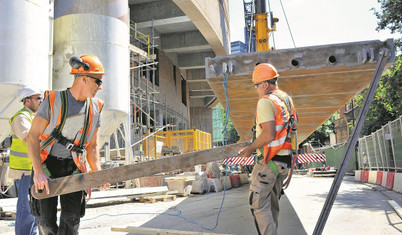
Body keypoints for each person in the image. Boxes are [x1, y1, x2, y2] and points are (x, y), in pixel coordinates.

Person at [27, 55, 110, 235]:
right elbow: (33, 137)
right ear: (83, 79)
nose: (100, 87)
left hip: (74, 167)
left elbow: (92, 146)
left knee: (71, 222)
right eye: (98, 81)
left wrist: (96, 174)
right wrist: (39, 172)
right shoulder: (52, 100)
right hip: (47, 165)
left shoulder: (96, 107)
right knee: (46, 223)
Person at [239, 63, 297, 235]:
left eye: (256, 85)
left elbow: (268, 134)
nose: (256, 89)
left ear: (265, 84)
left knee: (258, 205)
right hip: (283, 162)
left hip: (269, 162)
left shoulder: (266, 101)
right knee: (271, 206)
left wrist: (250, 148)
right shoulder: (286, 99)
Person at [9, 86, 43, 235]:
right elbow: (30, 138)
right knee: (26, 209)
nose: (41, 101)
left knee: (35, 209)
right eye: (38, 98)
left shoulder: (35, 117)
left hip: (34, 170)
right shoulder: (21, 117)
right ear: (27, 101)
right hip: (25, 171)